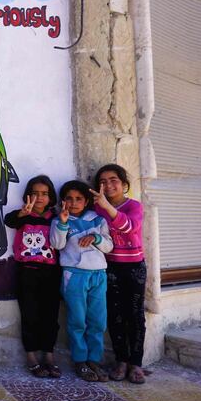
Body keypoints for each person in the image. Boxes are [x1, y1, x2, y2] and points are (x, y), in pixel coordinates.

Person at [50, 180, 113, 383]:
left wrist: (96, 239)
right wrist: (62, 223)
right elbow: (57, 244)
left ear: (86, 201)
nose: (74, 202)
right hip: (74, 275)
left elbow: (109, 246)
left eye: (79, 199)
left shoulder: (98, 220)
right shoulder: (60, 220)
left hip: (98, 275)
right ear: (63, 201)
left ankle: (94, 359)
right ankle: (80, 361)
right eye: (69, 198)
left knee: (97, 320)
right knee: (77, 320)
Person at [92, 164, 147, 384]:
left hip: (134, 268)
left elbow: (130, 227)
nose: (108, 184)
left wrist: (107, 206)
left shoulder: (134, 206)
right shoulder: (97, 211)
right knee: (114, 316)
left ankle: (136, 363)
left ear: (124, 185)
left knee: (134, 316)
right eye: (103, 181)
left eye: (113, 180)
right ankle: (121, 361)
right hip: (110, 268)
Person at [4, 175, 61, 378]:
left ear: (51, 197)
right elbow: (8, 221)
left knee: (50, 316)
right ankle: (31, 356)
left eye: (44, 194)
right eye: (35, 193)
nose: (40, 198)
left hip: (51, 273)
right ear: (28, 196)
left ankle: (49, 356)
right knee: (29, 315)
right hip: (26, 272)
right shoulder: (22, 216)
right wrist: (21, 213)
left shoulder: (55, 218)